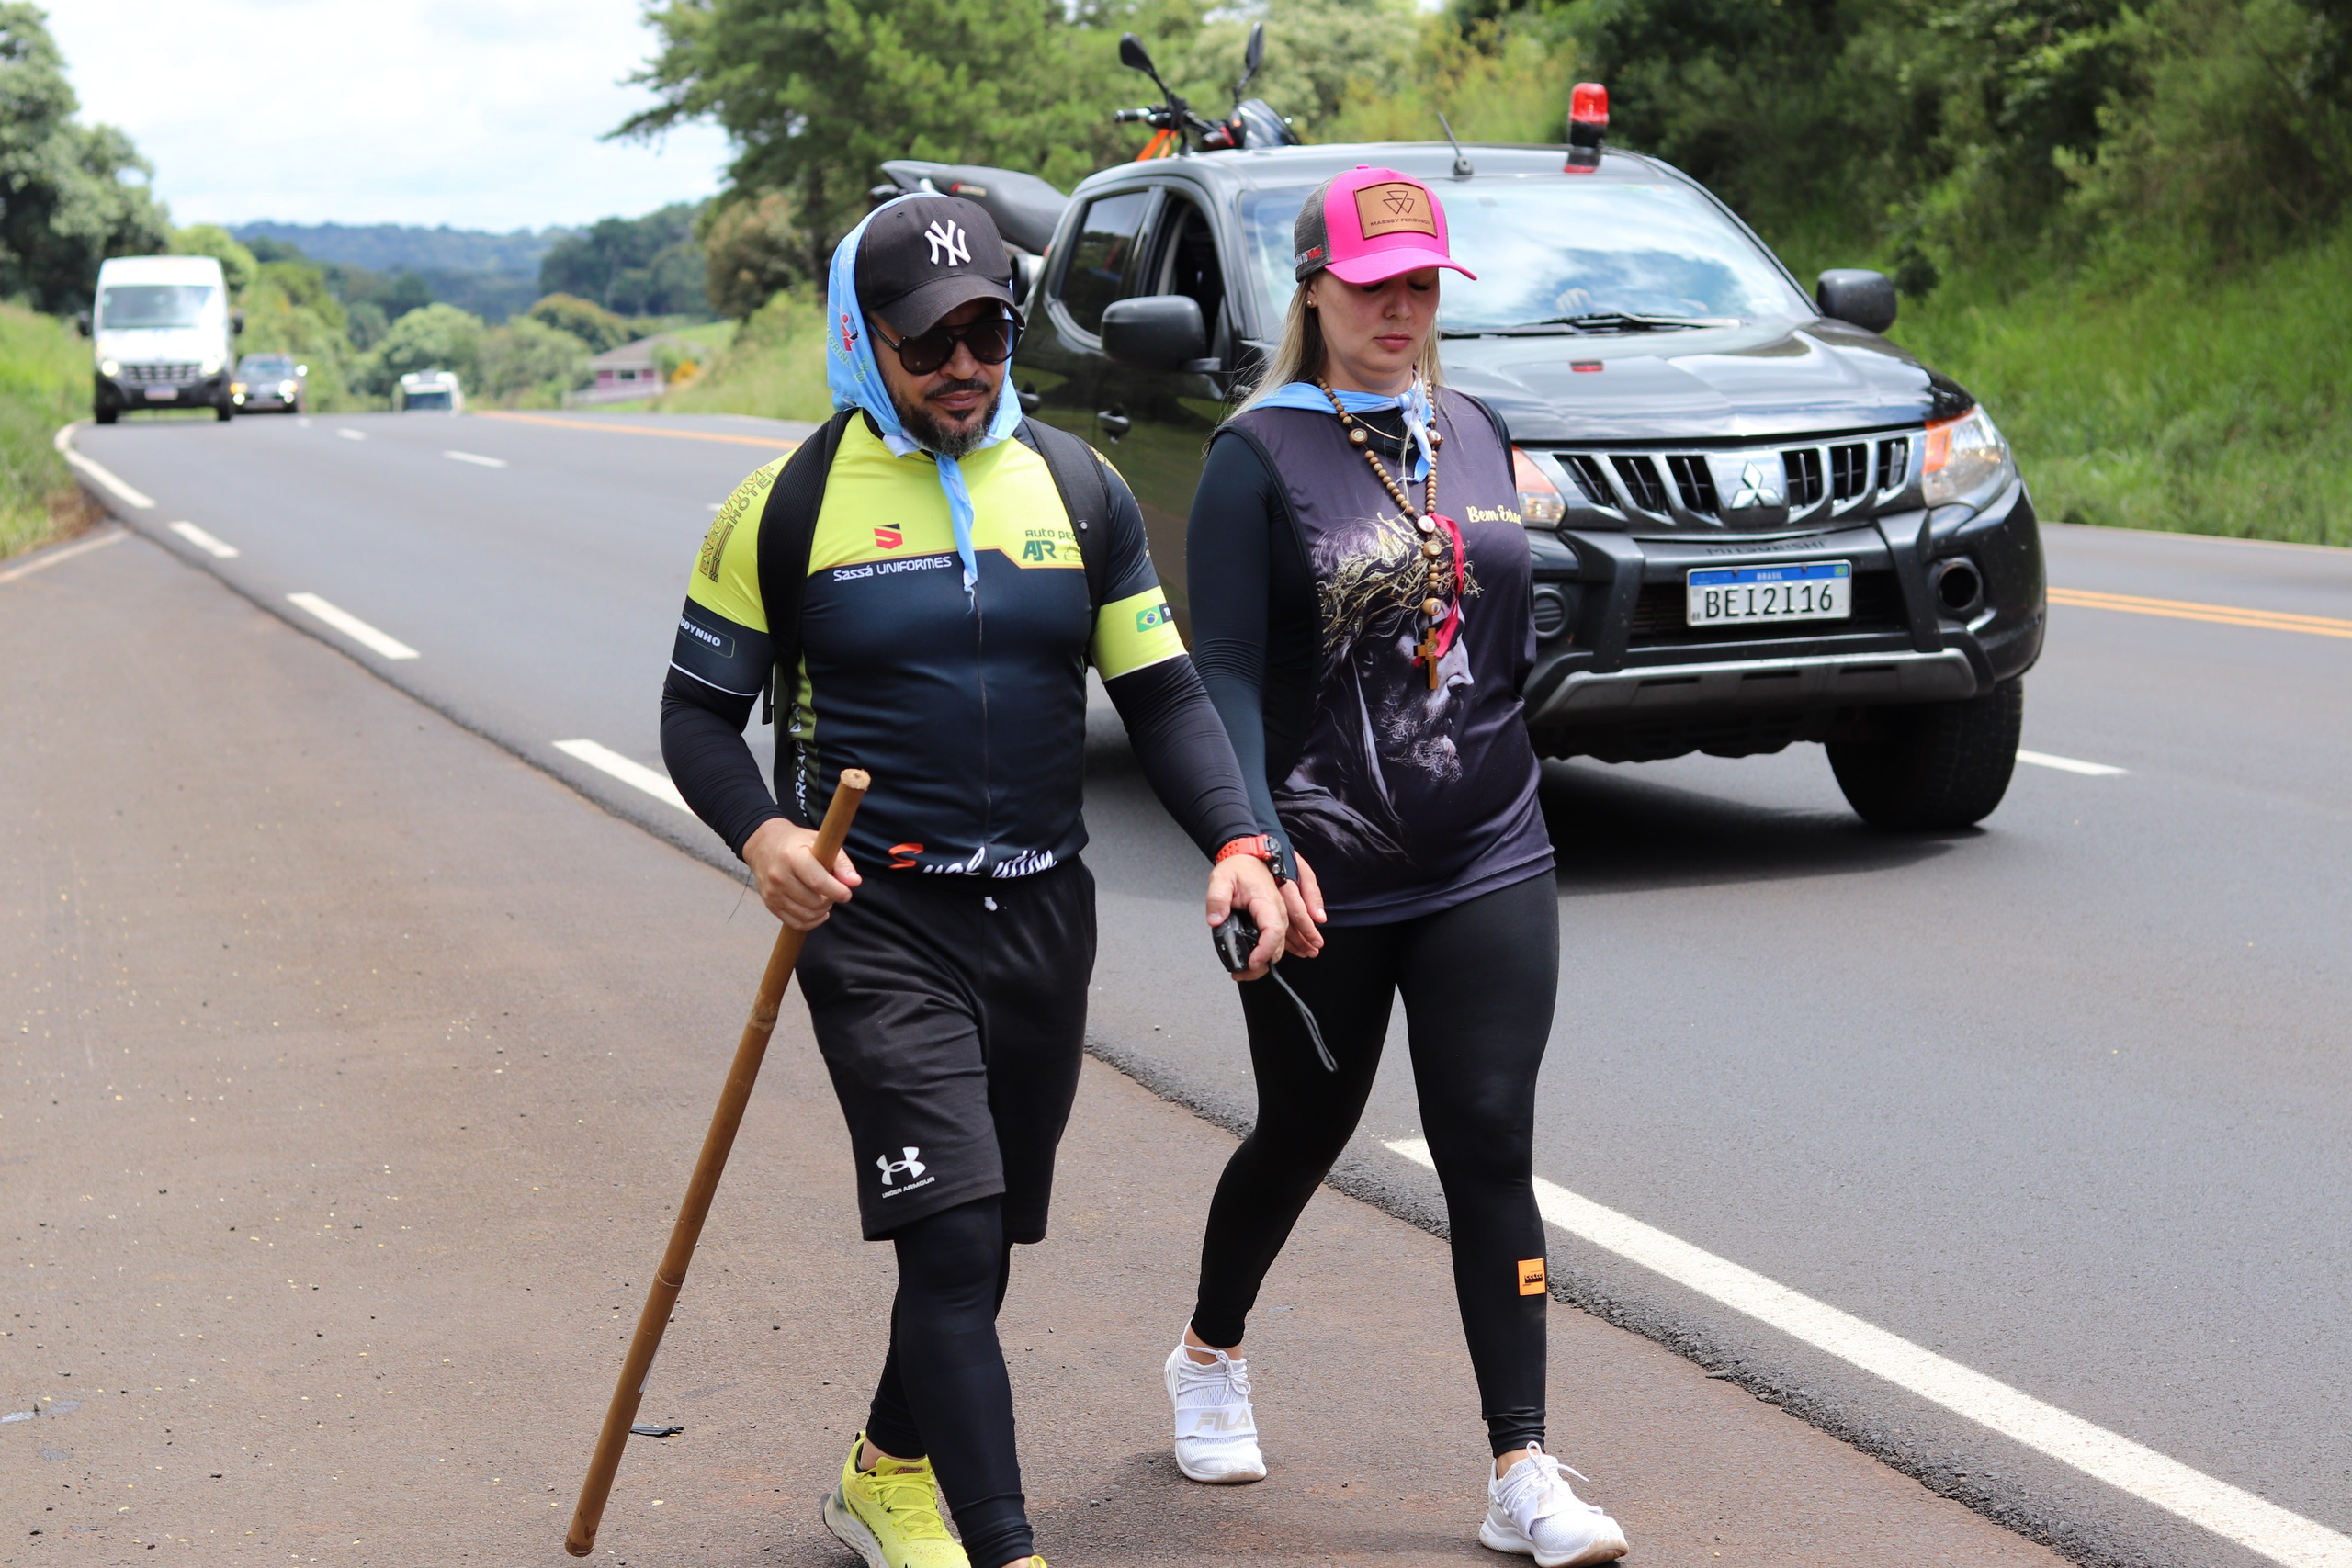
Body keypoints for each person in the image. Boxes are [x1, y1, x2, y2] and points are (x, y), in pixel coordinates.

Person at [659, 192, 1290, 1568]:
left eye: (990, 332)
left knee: (989, 1235)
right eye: (929, 339)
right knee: (947, 1247)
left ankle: (884, 1471)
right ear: (861, 341)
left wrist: (1238, 842)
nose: (965, 366)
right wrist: (767, 841)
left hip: (1041, 914)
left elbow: (1166, 694)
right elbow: (697, 719)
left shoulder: (1078, 489)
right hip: (877, 921)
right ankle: (1004, 1546)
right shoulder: (785, 508)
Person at [1168, 165, 1633, 1567]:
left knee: (1489, 1139)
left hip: (1490, 850)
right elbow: (1227, 675)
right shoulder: (1257, 456)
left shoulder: (1477, 430)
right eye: (1375, 288)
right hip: (1324, 869)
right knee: (1307, 1127)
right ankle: (1209, 1351)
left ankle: (1523, 1468)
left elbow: (1507, 639)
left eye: (1422, 287)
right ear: (1313, 287)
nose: (1400, 311)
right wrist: (1252, 838)